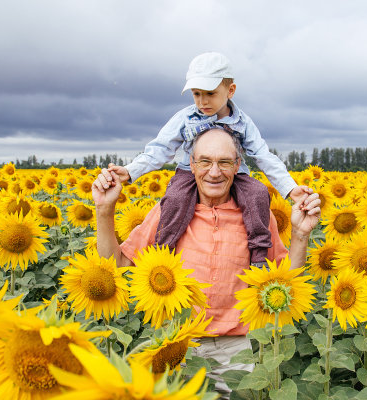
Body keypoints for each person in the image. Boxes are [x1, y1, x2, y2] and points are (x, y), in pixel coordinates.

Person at [93, 127, 320, 400]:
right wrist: (104, 210)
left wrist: (300, 234)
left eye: (224, 162)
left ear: (237, 166)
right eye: (205, 161)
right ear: (192, 164)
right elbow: (117, 264)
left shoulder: (256, 215)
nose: (214, 172)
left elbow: (287, 282)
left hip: (235, 351)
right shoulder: (170, 212)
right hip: (177, 344)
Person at [106, 51, 309, 266]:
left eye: (210, 93)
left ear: (230, 90)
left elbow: (263, 156)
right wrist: (130, 171)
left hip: (235, 174)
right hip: (189, 173)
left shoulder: (243, 122)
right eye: (196, 94)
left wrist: (289, 188)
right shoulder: (186, 117)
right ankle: (164, 252)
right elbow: (160, 148)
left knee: (259, 194)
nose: (202, 101)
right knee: (174, 199)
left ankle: (258, 256)